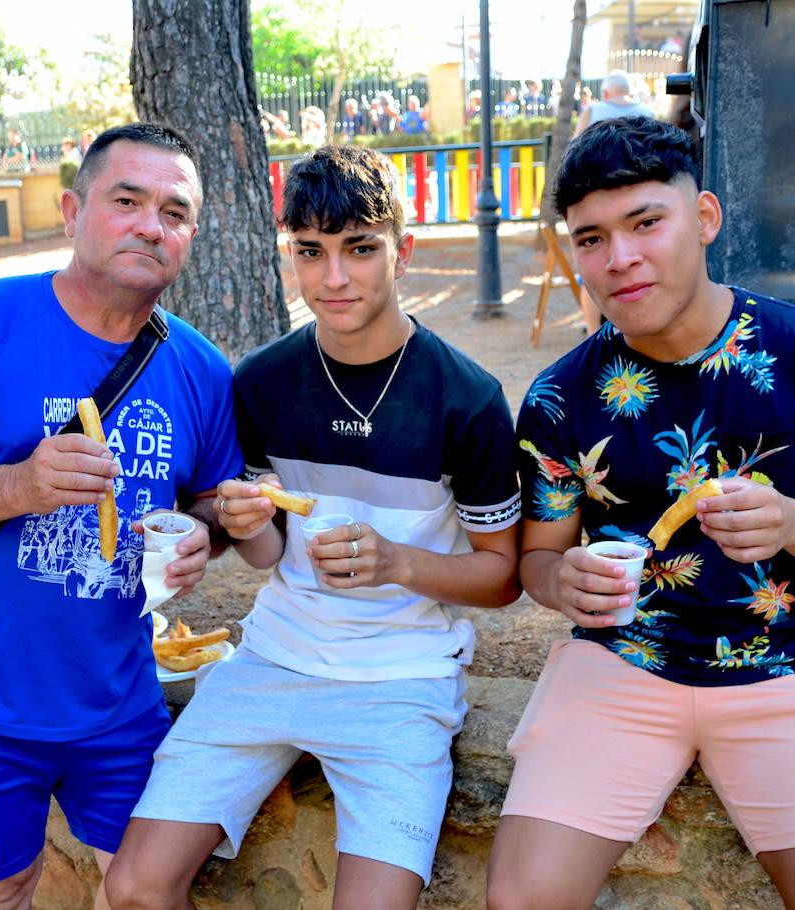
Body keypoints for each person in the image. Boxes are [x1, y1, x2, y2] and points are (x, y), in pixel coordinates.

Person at [486, 117, 795, 910]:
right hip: (619, 663)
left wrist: (794, 524)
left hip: (788, 665)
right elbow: (536, 561)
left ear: (706, 218)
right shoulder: (556, 397)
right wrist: (564, 580)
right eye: (590, 239)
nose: (620, 259)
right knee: (521, 899)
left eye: (646, 222)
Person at [105, 144, 522, 910]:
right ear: (290, 253)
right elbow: (269, 554)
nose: (334, 278)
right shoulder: (261, 380)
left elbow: (504, 577)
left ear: (404, 246)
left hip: (403, 679)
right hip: (272, 659)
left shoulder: (468, 396)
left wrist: (398, 562)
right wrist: (245, 520)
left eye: (360, 249)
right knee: (132, 888)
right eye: (310, 251)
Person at [0, 123, 243, 910]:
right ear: (73, 211)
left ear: (190, 236)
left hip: (121, 697)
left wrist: (209, 529)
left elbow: (210, 496)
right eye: (126, 200)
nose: (150, 224)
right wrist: (17, 487)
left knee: (140, 890)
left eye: (174, 212)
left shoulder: (199, 366)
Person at [574, 70, 656, 137]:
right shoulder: (647, 111)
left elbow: (576, 144)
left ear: (605, 93)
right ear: (629, 92)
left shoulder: (592, 110)